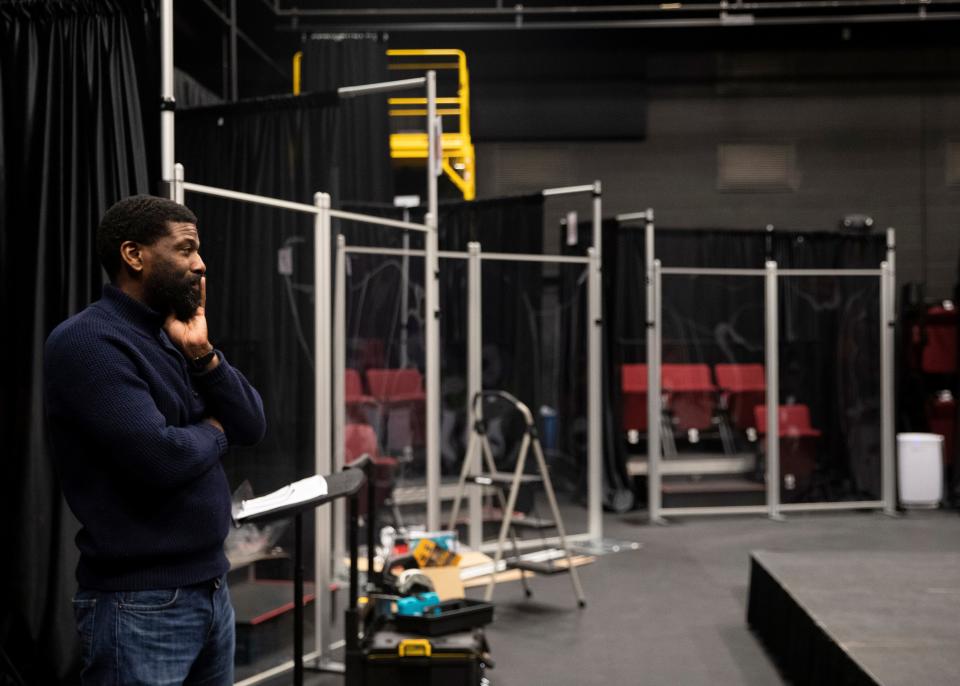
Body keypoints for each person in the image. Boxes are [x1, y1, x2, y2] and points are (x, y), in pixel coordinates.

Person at [44, 195, 267, 684]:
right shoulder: (88, 342)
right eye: (185, 249)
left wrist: (205, 356)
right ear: (134, 255)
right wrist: (213, 430)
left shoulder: (174, 335)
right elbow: (160, 456)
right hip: (140, 604)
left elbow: (250, 423)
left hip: (209, 588)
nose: (200, 263)